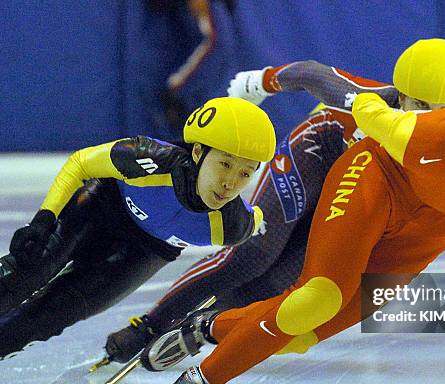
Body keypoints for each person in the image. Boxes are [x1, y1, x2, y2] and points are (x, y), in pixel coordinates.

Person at [139, 70, 445, 384]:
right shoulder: (422, 138)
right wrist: (271, 81)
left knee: (297, 338)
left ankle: (207, 328)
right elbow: (362, 104)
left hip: (422, 237)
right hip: (376, 182)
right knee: (317, 299)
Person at [101, 38, 445, 364]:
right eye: (418, 104)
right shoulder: (369, 101)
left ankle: (198, 329)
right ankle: (149, 324)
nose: (427, 118)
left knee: (279, 284)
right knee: (255, 253)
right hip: (319, 152)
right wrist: (259, 83)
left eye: (442, 110)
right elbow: (312, 73)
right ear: (399, 93)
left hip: (354, 192)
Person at [0, 97, 275, 359]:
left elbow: (266, 220)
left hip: (145, 252)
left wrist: (151, 327)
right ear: (198, 152)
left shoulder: (233, 226)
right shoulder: (148, 159)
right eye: (225, 164)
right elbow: (81, 163)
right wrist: (45, 218)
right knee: (31, 266)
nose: (230, 183)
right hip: (103, 207)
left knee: (52, 315)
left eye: (245, 173)